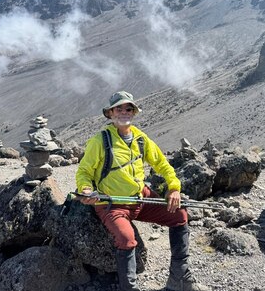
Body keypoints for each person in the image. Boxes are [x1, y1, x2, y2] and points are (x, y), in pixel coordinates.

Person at [75, 91, 210, 291]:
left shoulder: (140, 138)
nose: (124, 112)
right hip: (111, 204)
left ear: (134, 113)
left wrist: (174, 188)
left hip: (140, 198)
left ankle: (179, 279)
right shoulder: (100, 141)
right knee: (127, 238)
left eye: (128, 109)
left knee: (180, 214)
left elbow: (162, 164)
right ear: (111, 114)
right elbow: (84, 172)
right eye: (118, 109)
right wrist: (85, 190)